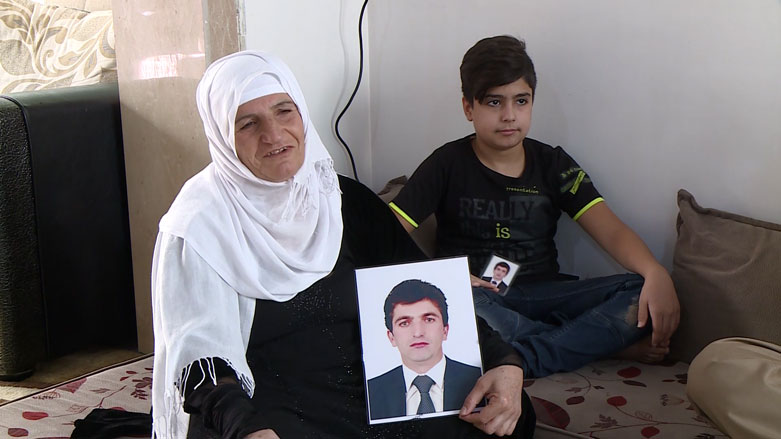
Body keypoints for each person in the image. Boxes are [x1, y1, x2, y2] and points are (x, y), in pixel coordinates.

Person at [151, 50, 535, 439]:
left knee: (504, 413)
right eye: (248, 123)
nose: (274, 134)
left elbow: (427, 287)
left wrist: (504, 360)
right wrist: (247, 429)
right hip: (267, 401)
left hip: (362, 382)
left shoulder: (339, 198)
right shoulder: (199, 226)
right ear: (222, 136)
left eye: (284, 111)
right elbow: (200, 360)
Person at [389, 35, 680, 378]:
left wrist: (656, 272)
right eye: (494, 102)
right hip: (480, 298)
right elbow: (384, 234)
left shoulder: (552, 164)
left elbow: (612, 231)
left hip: (547, 294)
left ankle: (519, 356)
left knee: (636, 291)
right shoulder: (446, 164)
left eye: (521, 101)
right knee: (460, 308)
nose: (510, 115)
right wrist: (443, 280)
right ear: (469, 107)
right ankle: (595, 346)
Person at [368, 279, 482, 420]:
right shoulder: (371, 391)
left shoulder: (478, 379)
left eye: (428, 319)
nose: (418, 332)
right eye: (404, 323)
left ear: (445, 330)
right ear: (391, 337)